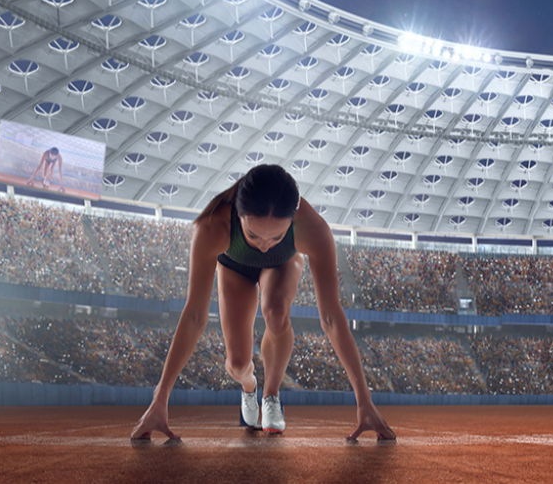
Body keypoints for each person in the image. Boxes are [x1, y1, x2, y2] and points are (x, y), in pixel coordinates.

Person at [131, 164, 395, 441]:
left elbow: (331, 317)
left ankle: (271, 395)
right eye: (253, 235)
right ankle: (249, 387)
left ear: (293, 220)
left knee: (276, 311)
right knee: (236, 363)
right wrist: (159, 400)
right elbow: (195, 315)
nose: (265, 245)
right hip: (234, 268)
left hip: (283, 265)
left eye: (277, 236)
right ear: (238, 214)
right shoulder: (212, 227)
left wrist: (364, 401)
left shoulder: (314, 229)